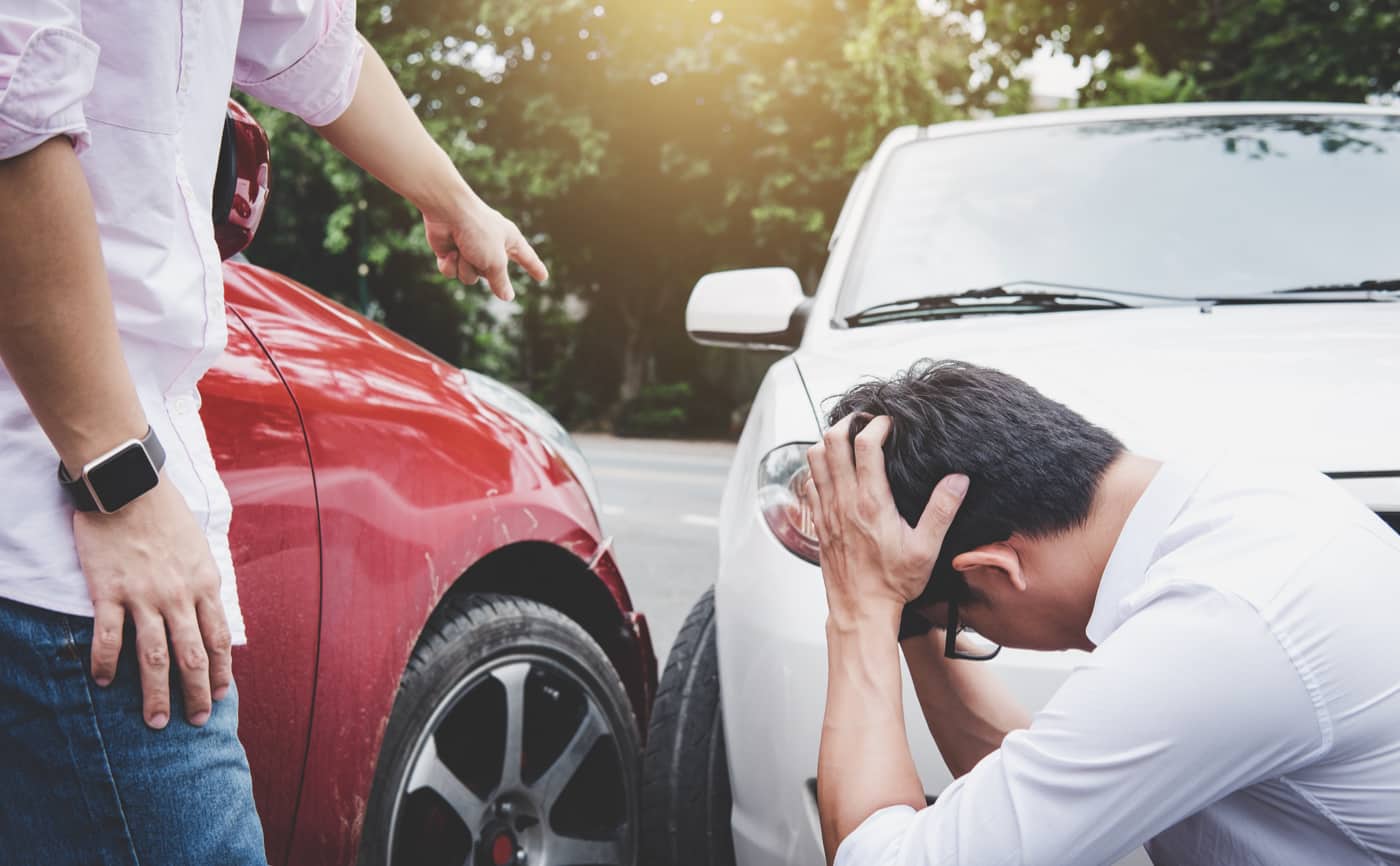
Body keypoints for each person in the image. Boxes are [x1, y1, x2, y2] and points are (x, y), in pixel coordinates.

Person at [0, 1, 546, 862]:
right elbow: (10, 117)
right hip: (62, 512)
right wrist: (121, 484)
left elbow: (306, 36)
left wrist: (452, 197)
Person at [804, 359, 1400, 866]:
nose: (961, 634)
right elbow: (1034, 806)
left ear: (995, 570)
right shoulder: (1241, 502)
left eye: (960, 625)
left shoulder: (1217, 627)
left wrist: (862, 611)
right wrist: (901, 608)